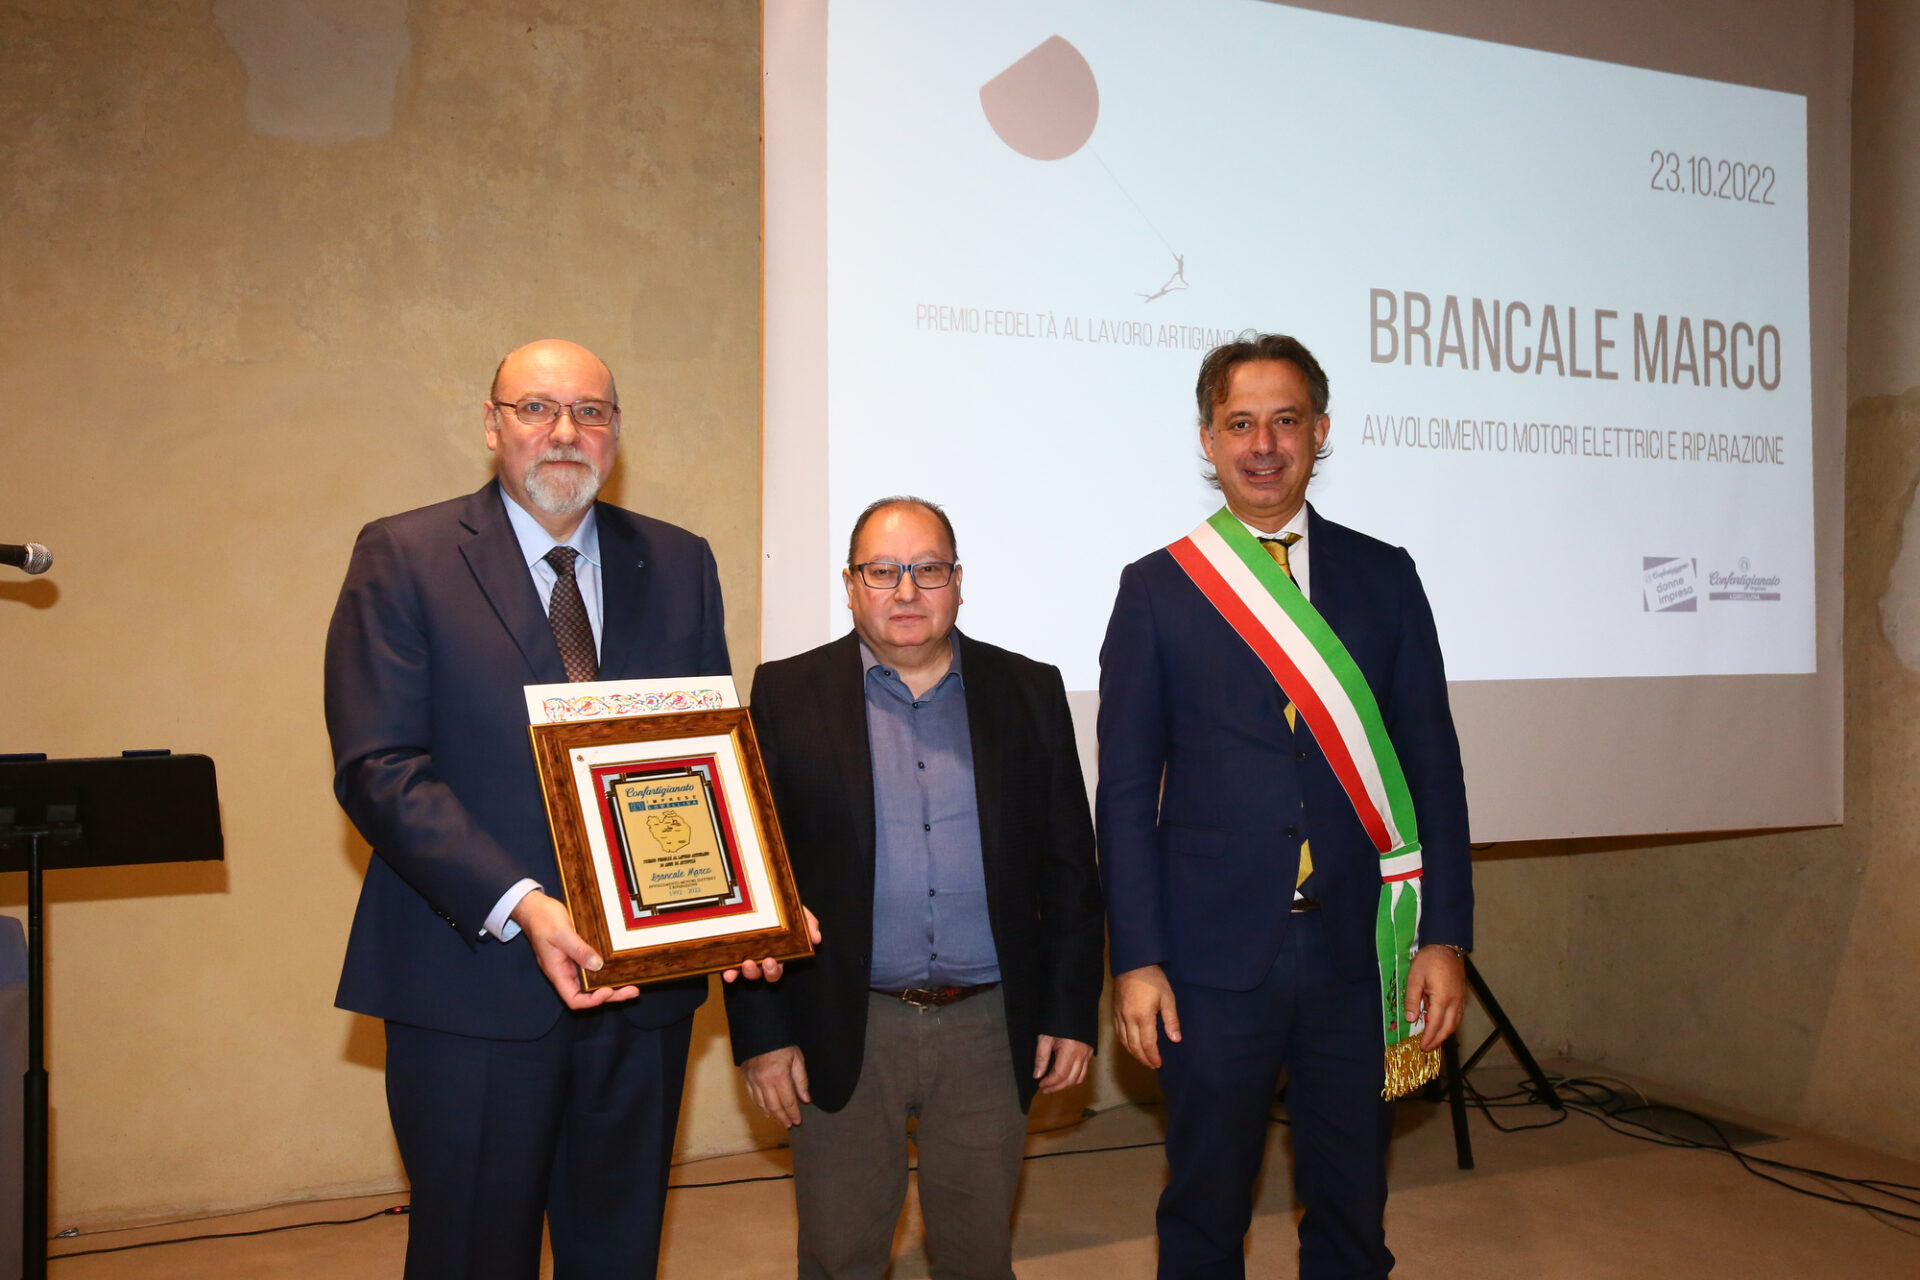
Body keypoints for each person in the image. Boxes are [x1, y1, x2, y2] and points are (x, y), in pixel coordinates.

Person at [324, 338, 794, 1279]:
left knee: (617, 1254)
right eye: (537, 408)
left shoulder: (679, 560)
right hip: (474, 983)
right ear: (491, 425)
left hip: (644, 997)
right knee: (470, 1255)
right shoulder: (406, 554)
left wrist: (746, 902)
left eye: (590, 412)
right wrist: (525, 904)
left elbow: (698, 757)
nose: (565, 432)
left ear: (617, 431)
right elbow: (380, 767)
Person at [1097, 334, 1474, 1279]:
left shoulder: (1385, 575)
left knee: (1351, 1206)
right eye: (1240, 424)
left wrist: (1444, 936)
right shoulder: (1157, 589)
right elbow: (1126, 792)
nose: (1263, 445)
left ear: (1321, 431)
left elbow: (1434, 766)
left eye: (1285, 421)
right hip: (1211, 958)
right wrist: (1136, 959)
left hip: (1360, 951)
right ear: (1208, 440)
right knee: (1205, 1207)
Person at [725, 496, 1105, 1279]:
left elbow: (1071, 869)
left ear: (958, 582)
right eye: (882, 571)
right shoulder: (787, 693)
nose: (906, 591)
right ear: (850, 585)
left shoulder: (1029, 690)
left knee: (977, 1255)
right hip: (842, 1025)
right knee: (839, 1256)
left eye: (928, 570)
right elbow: (753, 874)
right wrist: (763, 1037)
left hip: (988, 1026)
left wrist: (1070, 1012)